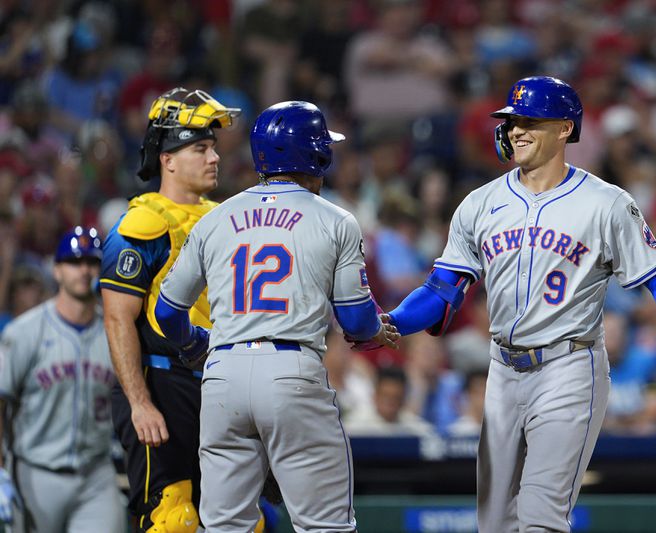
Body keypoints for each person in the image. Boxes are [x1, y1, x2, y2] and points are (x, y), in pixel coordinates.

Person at [383, 76, 656, 532]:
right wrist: (390, 323)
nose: (516, 130)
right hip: (502, 370)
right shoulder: (479, 203)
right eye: (512, 121)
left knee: (540, 516)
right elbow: (441, 290)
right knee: (494, 524)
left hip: (569, 367)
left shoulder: (605, 203)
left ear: (565, 128)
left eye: (531, 121)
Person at [154, 100, 400, 531]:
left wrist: (196, 344)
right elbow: (357, 322)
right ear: (316, 155)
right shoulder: (336, 219)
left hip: (223, 373)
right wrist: (379, 328)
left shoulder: (217, 218)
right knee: (324, 526)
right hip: (292, 371)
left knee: (224, 526)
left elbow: (168, 310)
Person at [99, 87, 241, 531]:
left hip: (220, 386)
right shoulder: (141, 224)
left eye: (213, 148)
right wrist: (140, 404)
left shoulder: (227, 218)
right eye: (200, 148)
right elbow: (117, 317)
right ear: (169, 158)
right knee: (171, 517)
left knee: (241, 519)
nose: (213, 157)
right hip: (160, 381)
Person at [0, 226, 125, 532]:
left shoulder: (116, 335)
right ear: (56, 271)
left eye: (92, 262)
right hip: (35, 472)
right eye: (74, 262)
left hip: (95, 473)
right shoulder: (24, 332)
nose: (84, 270)